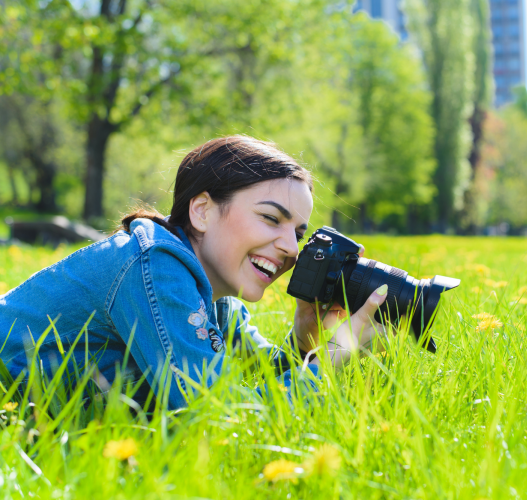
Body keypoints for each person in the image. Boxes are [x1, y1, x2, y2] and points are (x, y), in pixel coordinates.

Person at [0, 136, 390, 410]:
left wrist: (306, 346)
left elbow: (254, 382)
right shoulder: (157, 267)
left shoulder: (215, 300)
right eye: (272, 218)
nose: (291, 247)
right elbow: (218, 414)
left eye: (299, 232)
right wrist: (337, 354)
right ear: (202, 211)